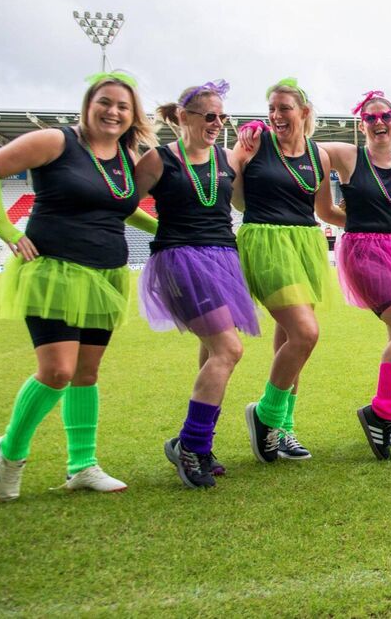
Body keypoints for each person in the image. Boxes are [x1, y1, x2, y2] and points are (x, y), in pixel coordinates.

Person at [0, 71, 159, 500]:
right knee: (57, 371)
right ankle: (11, 452)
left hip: (106, 273)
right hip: (54, 273)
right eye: (105, 102)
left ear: (132, 114)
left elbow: (122, 208)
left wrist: (165, 231)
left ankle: (82, 464)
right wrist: (6, 228)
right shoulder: (56, 141)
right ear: (88, 103)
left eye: (122, 106)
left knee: (86, 372)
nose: (113, 111)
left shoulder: (124, 154)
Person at [135, 80, 259, 488]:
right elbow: (122, 201)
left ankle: (200, 444)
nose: (217, 123)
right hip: (180, 260)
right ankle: (191, 444)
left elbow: (237, 203)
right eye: (209, 116)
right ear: (183, 117)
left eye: (221, 117)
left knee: (211, 350)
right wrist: (160, 231)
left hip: (223, 257)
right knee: (229, 349)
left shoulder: (226, 159)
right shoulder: (158, 159)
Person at [314, 90, 391, 461]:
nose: (379, 122)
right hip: (365, 249)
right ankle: (379, 413)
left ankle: (389, 420)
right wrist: (358, 222)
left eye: (386, 116)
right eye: (370, 118)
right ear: (360, 124)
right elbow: (311, 156)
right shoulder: (346, 156)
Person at [232, 77, 332, 464]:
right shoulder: (255, 143)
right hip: (265, 241)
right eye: (271, 108)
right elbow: (236, 197)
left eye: (284, 108)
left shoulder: (318, 155)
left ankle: (283, 428)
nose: (275, 115)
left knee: (292, 338)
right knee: (306, 333)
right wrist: (241, 155)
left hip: (304, 243)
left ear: (304, 113)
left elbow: (322, 210)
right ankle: (266, 414)